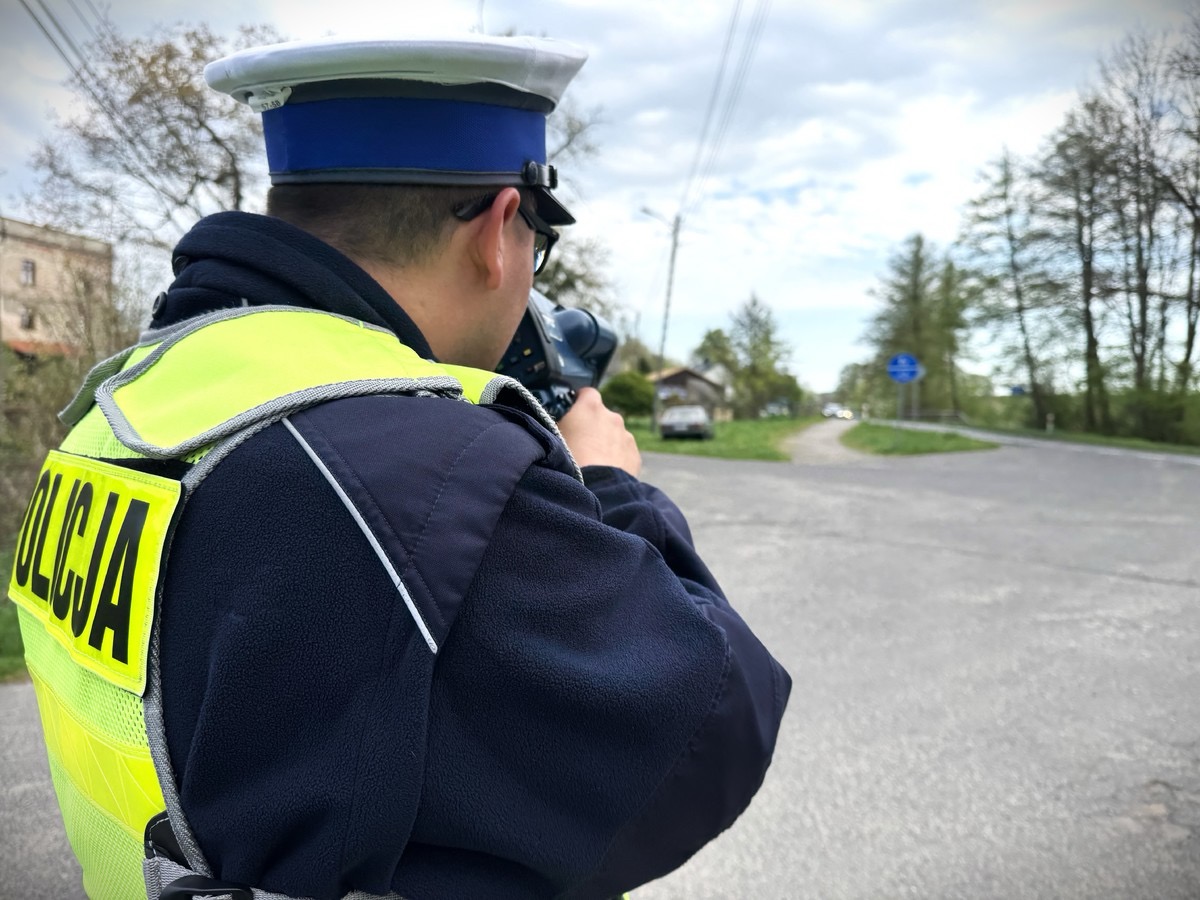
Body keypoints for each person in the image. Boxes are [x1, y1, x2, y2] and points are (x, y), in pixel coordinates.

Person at [7, 33, 791, 900]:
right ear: (499, 232)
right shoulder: (428, 478)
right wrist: (612, 486)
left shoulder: (117, 408)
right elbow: (717, 723)